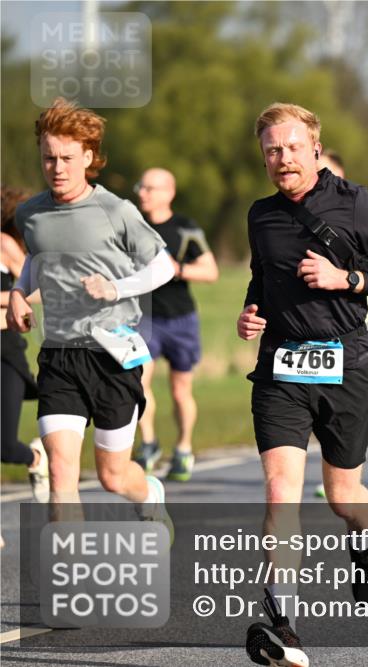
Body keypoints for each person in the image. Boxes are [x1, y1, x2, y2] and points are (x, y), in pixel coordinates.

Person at [238, 103, 368, 666]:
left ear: (315, 148)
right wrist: (250, 311)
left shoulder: (355, 204)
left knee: (343, 497)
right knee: (279, 491)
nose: (282, 158)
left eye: (291, 147)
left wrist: (348, 279)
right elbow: (260, 276)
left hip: (345, 366)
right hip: (280, 370)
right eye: (272, 149)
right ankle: (283, 621)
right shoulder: (260, 215)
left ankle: (367, 544)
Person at [5, 98, 173, 529]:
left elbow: (163, 266)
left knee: (113, 475)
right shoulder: (31, 214)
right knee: (62, 472)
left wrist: (117, 287)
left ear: (88, 157)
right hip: (60, 356)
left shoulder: (116, 211)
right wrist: (21, 294)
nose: (57, 167)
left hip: (113, 355)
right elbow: (38, 263)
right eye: (48, 158)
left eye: (66, 158)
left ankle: (149, 494)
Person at [132, 167, 219, 481]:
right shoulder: (133, 226)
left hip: (181, 318)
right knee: (138, 384)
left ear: (168, 192)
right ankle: (149, 444)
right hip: (143, 317)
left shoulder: (185, 228)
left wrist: (176, 269)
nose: (142, 192)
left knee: (180, 390)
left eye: (149, 188)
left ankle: (183, 448)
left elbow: (210, 271)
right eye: (140, 186)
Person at [312, 151, 368, 500]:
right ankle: (330, 469)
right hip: (300, 338)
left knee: (342, 403)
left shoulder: (355, 209)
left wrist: (347, 277)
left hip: (349, 326)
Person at [1, 186, 48, 503]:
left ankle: (36, 459)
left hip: (5, 354)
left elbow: (41, 290)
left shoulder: (4, 245)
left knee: (4, 445)